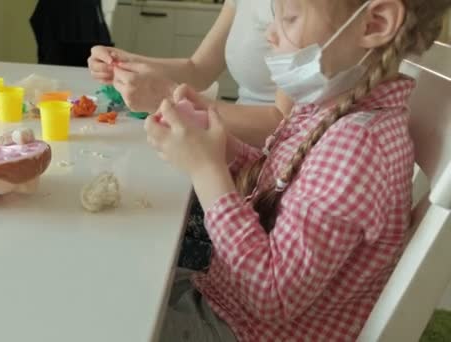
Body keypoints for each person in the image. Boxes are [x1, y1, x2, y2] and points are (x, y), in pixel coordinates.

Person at [145, 0, 451, 341]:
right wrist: (221, 149)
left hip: (241, 330)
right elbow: (283, 185)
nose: (271, 34)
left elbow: (272, 296)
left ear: (375, 24)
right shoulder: (330, 110)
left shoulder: (358, 144)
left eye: (290, 17)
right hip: (222, 303)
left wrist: (205, 168)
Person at [88, 0, 286, 147]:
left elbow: (286, 125)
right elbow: (198, 70)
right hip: (238, 147)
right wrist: (124, 61)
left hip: (276, 162)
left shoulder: (300, 9)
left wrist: (170, 97)